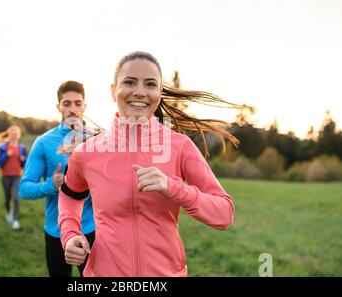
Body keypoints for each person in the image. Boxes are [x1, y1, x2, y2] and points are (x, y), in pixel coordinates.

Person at [58, 51, 242, 276]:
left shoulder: (179, 147)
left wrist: (174, 188)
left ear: (159, 93)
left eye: (150, 84)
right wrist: (70, 234)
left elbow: (224, 214)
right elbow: (70, 195)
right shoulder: (86, 153)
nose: (140, 92)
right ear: (113, 90)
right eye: (129, 82)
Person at [19, 81, 95, 277]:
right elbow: (24, 189)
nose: (72, 109)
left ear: (85, 106)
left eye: (78, 103)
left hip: (93, 229)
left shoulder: (98, 141)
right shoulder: (43, 142)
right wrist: (50, 185)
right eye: (67, 103)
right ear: (58, 106)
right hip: (56, 231)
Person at [0, 125, 27, 230]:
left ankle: (16, 220)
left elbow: (25, 164)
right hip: (5, 176)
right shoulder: (3, 147)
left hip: (17, 176)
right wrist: (6, 155)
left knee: (16, 197)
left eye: (16, 133)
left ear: (19, 135)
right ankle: (8, 212)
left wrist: (23, 159)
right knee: (7, 198)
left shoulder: (22, 148)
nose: (14, 134)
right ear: (9, 134)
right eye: (12, 133)